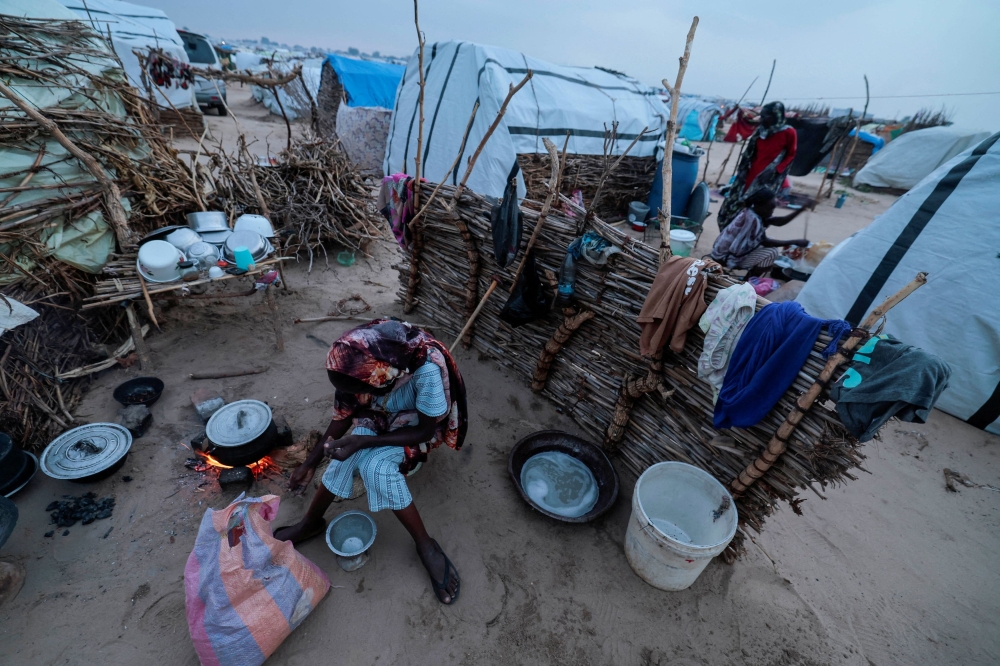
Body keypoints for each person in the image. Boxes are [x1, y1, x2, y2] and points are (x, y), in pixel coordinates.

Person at [274, 318, 468, 605]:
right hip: (379, 414)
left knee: (375, 467)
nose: (353, 396)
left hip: (413, 426)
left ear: (382, 377)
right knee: (342, 459)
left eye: (358, 391)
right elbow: (344, 415)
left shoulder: (424, 369)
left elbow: (426, 430)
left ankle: (426, 545)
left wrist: (365, 441)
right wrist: (311, 462)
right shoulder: (354, 360)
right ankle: (311, 522)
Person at [717, 101, 798, 230]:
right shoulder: (761, 131)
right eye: (762, 115)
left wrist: (775, 170)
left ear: (776, 116)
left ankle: (747, 237)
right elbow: (750, 153)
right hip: (750, 174)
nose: (763, 119)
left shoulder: (789, 132)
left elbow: (790, 155)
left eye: (766, 116)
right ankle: (728, 233)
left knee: (758, 209)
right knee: (735, 204)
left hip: (768, 180)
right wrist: (743, 171)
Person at [710, 188, 810, 276]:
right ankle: (749, 280)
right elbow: (765, 241)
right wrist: (794, 242)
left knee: (771, 243)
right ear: (759, 205)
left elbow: (778, 222)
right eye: (770, 208)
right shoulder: (752, 220)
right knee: (771, 252)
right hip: (726, 258)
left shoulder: (753, 211)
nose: (772, 212)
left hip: (722, 253)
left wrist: (801, 210)